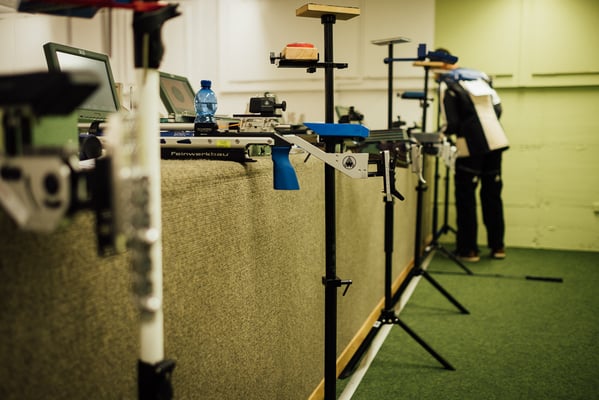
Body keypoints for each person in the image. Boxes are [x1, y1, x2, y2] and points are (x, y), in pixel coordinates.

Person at [435, 49, 509, 262]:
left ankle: (469, 250)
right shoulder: (480, 77)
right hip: (496, 141)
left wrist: (440, 135)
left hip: (470, 146)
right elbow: (498, 109)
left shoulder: (446, 84)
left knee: (466, 197)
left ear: (439, 66)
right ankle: (498, 247)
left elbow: (451, 123)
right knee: (492, 195)